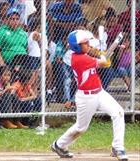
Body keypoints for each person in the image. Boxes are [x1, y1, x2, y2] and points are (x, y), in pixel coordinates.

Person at [51, 30, 128, 161]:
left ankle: (118, 147)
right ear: (76, 46)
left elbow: (100, 57)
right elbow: (103, 63)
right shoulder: (78, 59)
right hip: (86, 98)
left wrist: (103, 53)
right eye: (85, 43)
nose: (88, 45)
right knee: (81, 128)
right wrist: (106, 55)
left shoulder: (85, 54)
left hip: (99, 92)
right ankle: (59, 145)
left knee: (118, 112)